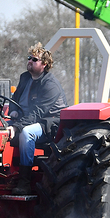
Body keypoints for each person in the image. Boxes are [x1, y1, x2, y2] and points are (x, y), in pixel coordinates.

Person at [8, 42, 67, 195]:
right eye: (29, 58)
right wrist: (13, 112)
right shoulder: (25, 77)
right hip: (25, 118)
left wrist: (16, 127)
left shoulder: (50, 85)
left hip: (49, 123)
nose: (30, 61)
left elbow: (37, 113)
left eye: (34, 59)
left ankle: (24, 181)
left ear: (44, 64)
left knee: (27, 133)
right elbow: (13, 100)